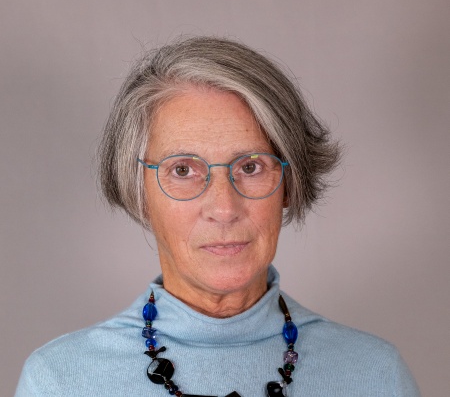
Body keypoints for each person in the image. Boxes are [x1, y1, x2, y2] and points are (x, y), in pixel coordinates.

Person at [15, 36, 421, 396]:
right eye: (183, 170)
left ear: (289, 183)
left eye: (251, 166)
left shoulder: (375, 376)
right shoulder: (60, 381)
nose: (224, 209)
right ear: (139, 191)